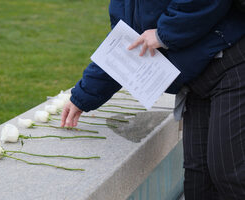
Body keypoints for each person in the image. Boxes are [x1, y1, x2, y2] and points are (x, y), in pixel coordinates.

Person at [61, 0, 245, 199]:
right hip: (196, 80)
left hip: (232, 62)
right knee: (198, 179)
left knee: (229, 172)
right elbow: (125, 43)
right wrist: (82, 96)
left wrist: (162, 34)